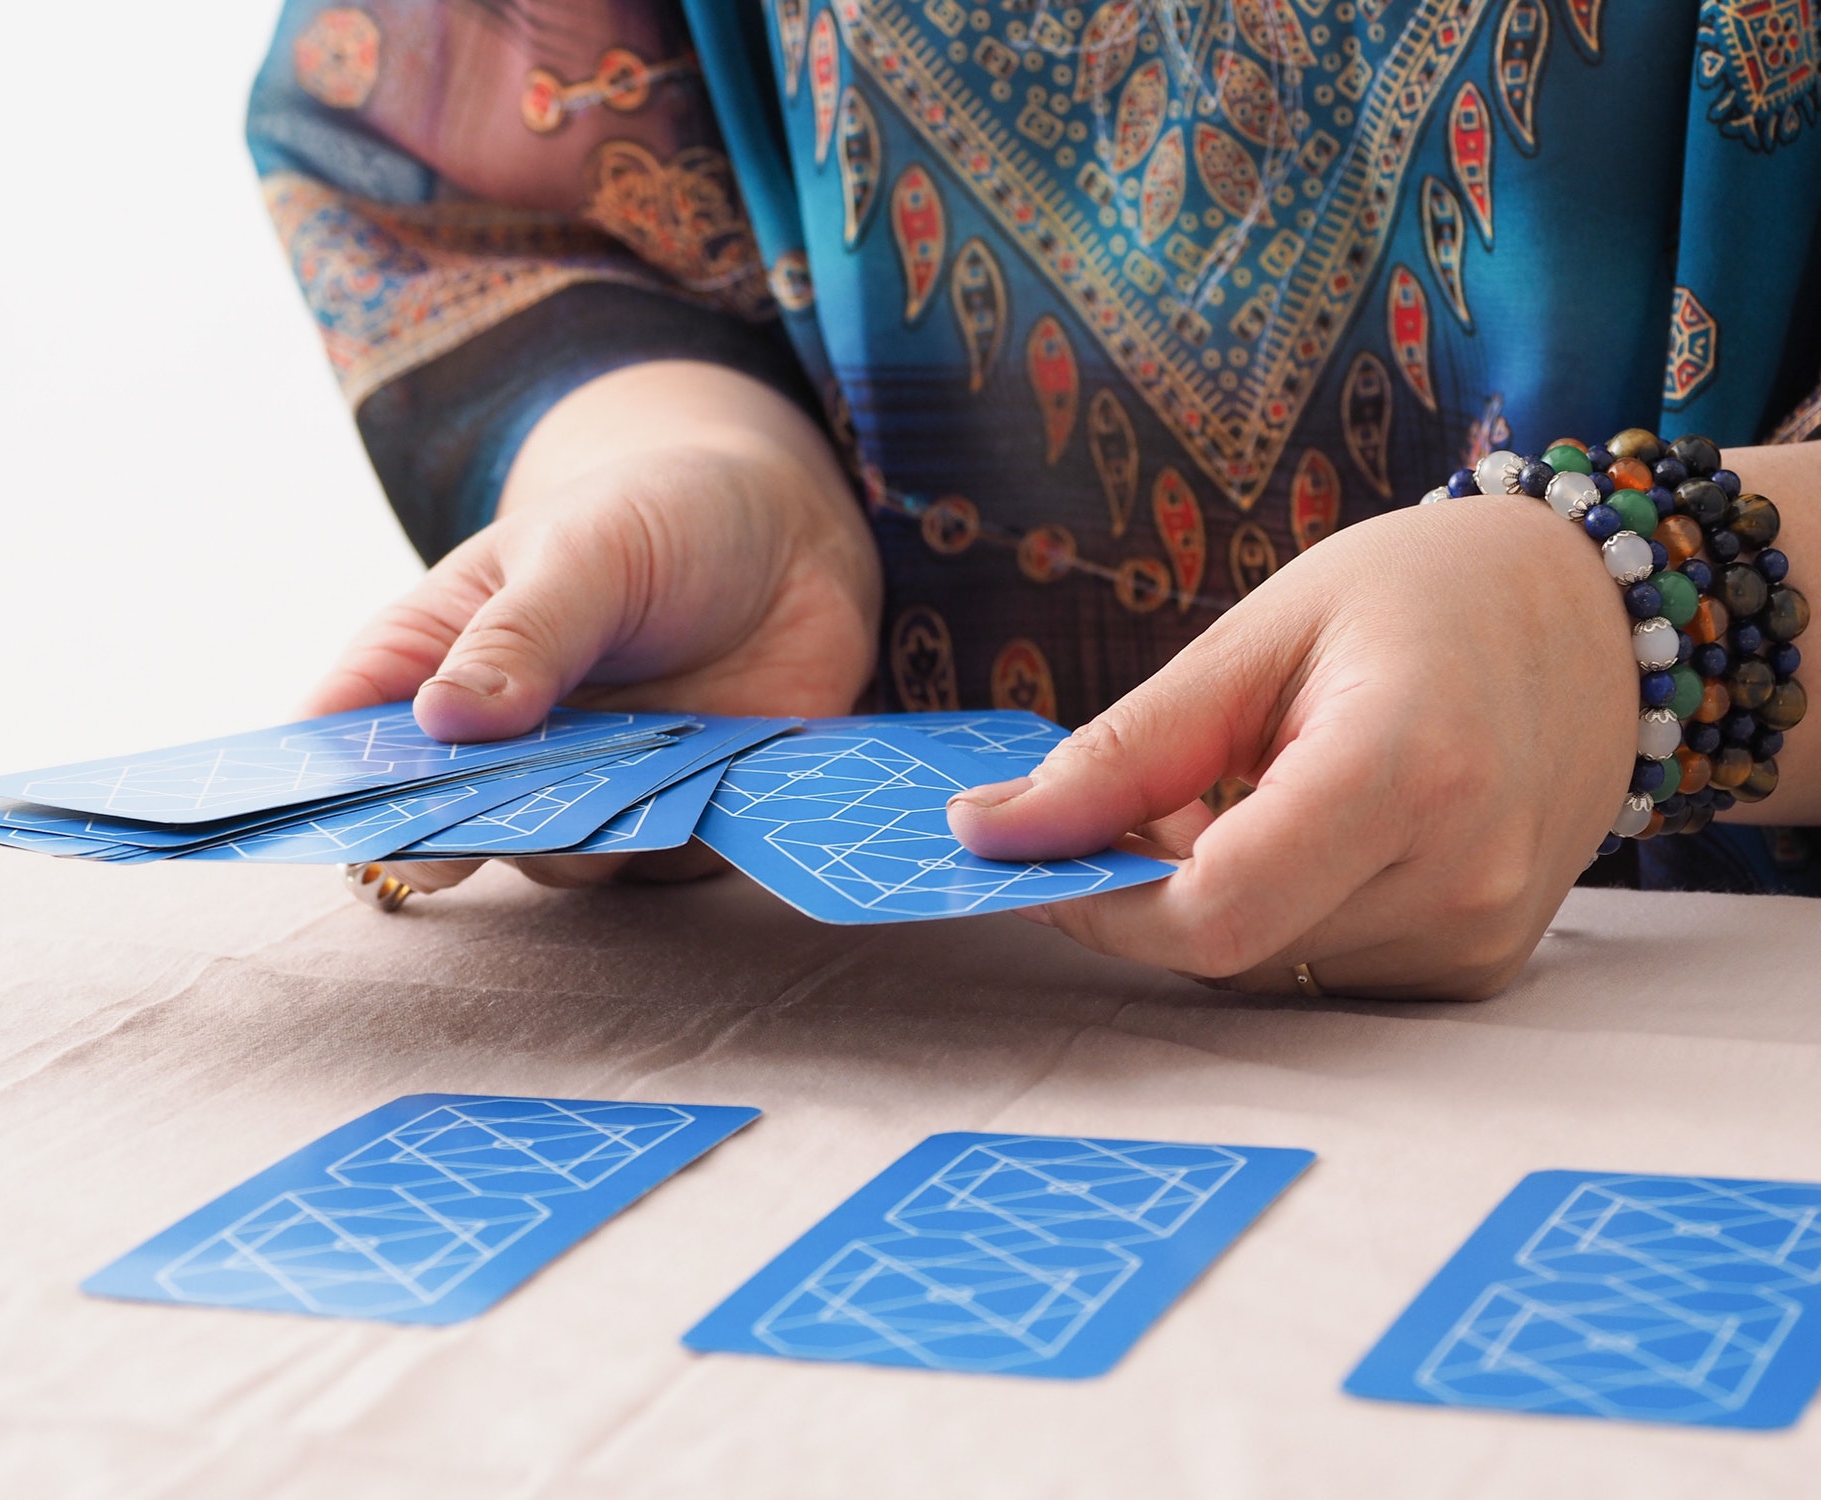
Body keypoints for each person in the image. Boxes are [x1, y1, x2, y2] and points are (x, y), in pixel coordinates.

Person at [246, 0, 1821, 998]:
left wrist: (1628, 631)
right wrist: (699, 471)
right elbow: (500, 155)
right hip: (879, 1001)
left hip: (1720, 1012)